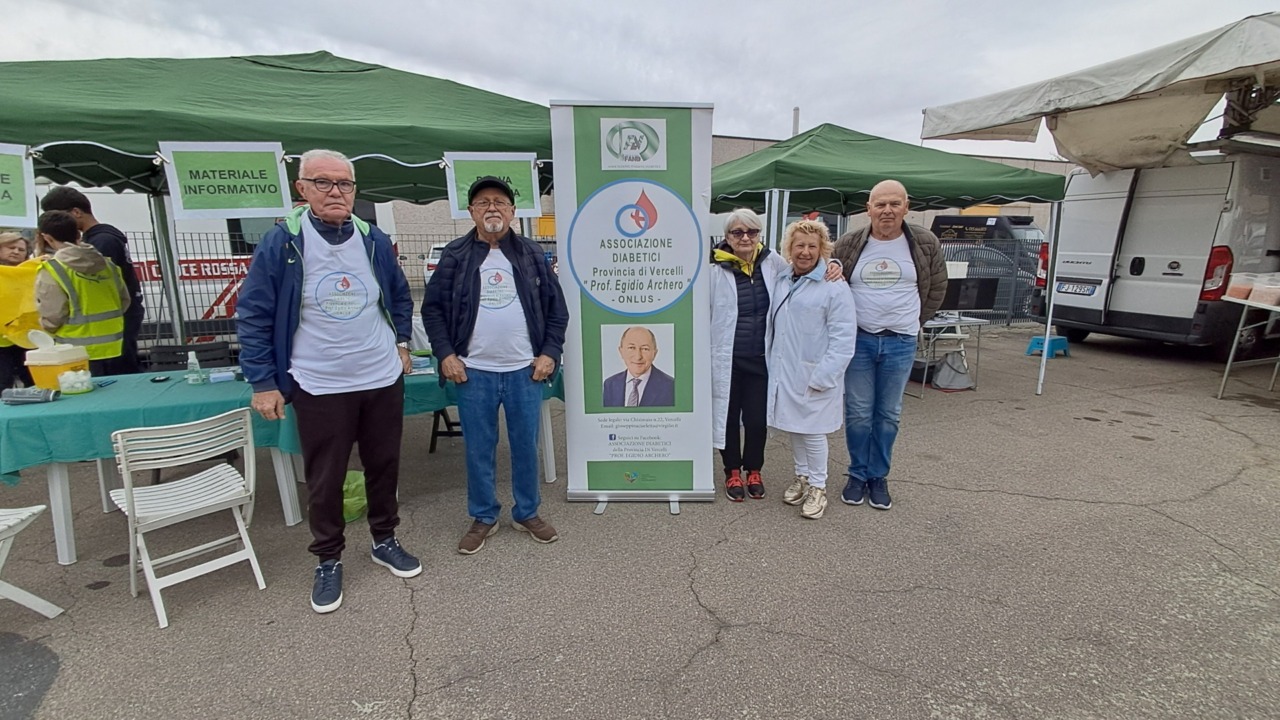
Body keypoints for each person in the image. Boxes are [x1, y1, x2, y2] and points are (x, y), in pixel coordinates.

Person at [237, 149, 420, 615]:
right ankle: (328, 558)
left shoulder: (373, 238)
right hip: (319, 381)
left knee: (384, 465)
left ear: (355, 190)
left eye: (344, 184)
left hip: (380, 376)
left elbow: (399, 296)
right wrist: (263, 381)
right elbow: (254, 314)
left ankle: (384, 539)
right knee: (326, 476)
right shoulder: (283, 242)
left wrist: (401, 342)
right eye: (323, 182)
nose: (336, 192)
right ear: (302, 188)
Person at [422, 176, 568, 556]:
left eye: (500, 202)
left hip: (525, 370)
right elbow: (432, 310)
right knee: (479, 449)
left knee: (525, 446)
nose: (492, 208)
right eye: (483, 202)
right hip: (473, 371)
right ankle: (484, 516)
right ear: (471, 212)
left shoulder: (531, 254)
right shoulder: (455, 255)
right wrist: (446, 354)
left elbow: (557, 311)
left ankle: (527, 512)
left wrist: (549, 353)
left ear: (512, 211)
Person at [832, 180, 947, 511]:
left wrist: (913, 321)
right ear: (868, 209)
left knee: (888, 414)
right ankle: (857, 474)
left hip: (901, 341)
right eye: (880, 204)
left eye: (894, 204)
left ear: (906, 207)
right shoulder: (849, 243)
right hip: (859, 340)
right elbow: (833, 283)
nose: (887, 210)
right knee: (858, 413)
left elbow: (937, 287)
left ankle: (878, 476)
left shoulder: (924, 242)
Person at [768, 220, 856, 520]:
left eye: (812, 246)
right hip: (787, 371)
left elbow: (844, 337)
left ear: (822, 250)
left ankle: (819, 486)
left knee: (813, 432)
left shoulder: (834, 286)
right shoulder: (782, 279)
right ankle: (802, 476)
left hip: (815, 372)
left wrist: (824, 375)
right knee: (795, 427)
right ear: (789, 249)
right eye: (799, 246)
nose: (805, 252)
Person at [40, 186, 144, 374]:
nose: (58, 223)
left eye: (59, 216)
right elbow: (123, 297)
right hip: (114, 332)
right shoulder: (100, 243)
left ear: (76, 212)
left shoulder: (99, 244)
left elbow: (88, 292)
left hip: (96, 340)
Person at [602, 326, 675, 407]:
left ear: (654, 353)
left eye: (645, 349)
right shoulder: (610, 384)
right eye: (631, 348)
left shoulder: (671, 387)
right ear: (621, 351)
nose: (638, 357)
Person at [0, 233, 35, 389]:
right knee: (3, 382)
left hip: (27, 336)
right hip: (1, 341)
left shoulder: (31, 272)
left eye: (21, 249)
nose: (16, 252)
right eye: (11, 247)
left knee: (33, 380)